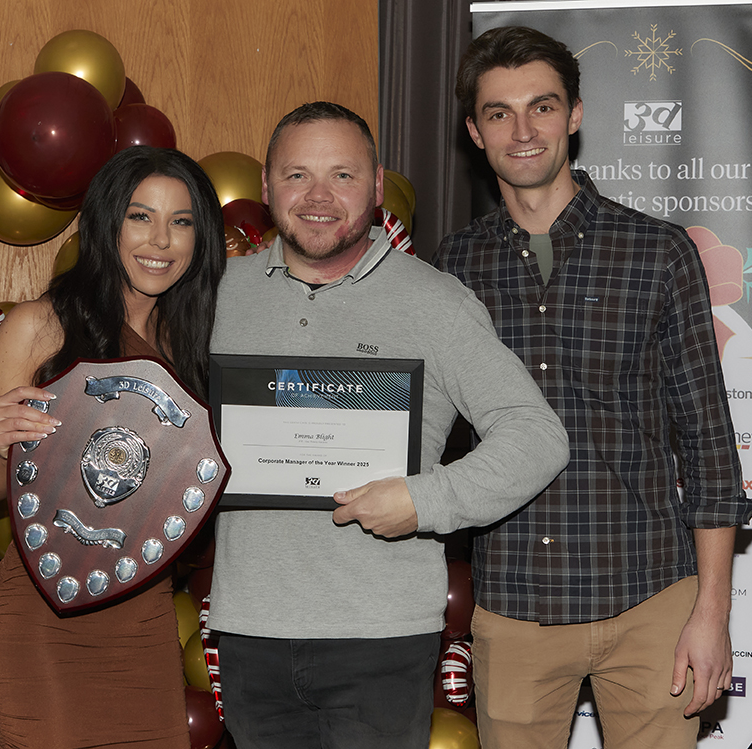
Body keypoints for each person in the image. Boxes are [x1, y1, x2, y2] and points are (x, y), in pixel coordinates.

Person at [207, 101, 569, 748]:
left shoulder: (435, 303)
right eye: (297, 175)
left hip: (382, 638)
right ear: (266, 187)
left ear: (376, 188)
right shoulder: (214, 296)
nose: (318, 197)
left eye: (342, 175)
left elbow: (536, 436)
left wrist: (425, 499)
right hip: (248, 634)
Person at [434, 26, 752, 749]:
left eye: (542, 107)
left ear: (574, 115)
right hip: (514, 604)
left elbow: (709, 445)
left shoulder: (659, 252)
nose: (523, 131)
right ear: (474, 132)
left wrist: (712, 612)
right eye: (499, 113)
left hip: (651, 599)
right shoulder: (453, 266)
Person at [0, 145, 226, 748]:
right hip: (45, 612)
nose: (160, 240)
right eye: (140, 217)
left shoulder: (197, 344)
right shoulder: (40, 325)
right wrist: (1, 445)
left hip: (145, 614)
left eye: (181, 222)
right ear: (107, 224)